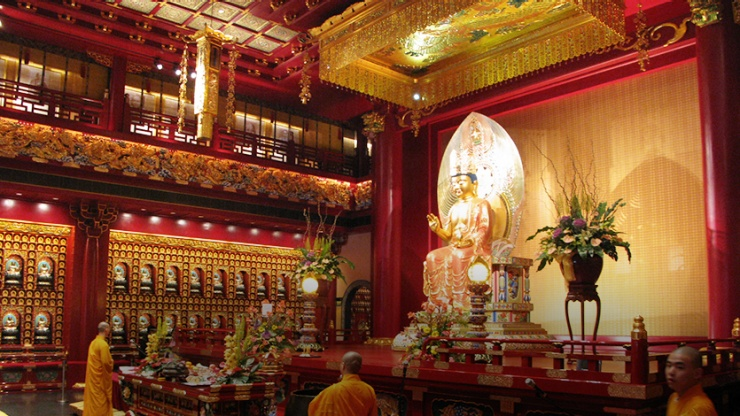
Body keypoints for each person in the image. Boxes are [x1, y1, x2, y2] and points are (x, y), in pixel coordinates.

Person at [424, 171, 494, 310]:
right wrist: (437, 229)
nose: (457, 186)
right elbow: (448, 235)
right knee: (432, 256)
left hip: (476, 247)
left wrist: (471, 240)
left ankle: (461, 301)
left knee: (459, 255)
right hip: (456, 246)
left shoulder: (481, 204)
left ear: (474, 184)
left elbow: (485, 227)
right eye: (454, 183)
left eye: (461, 182)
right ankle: (439, 302)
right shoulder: (454, 208)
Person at [308, 351, 377, 416]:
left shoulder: (334, 390)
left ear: (343, 366)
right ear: (360, 368)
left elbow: (314, 408)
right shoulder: (369, 390)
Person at [665, 346, 718, 416]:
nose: (671, 372)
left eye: (680, 367)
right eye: (669, 365)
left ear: (697, 373)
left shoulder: (699, 408)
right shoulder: (674, 397)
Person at [83, 321, 114, 416]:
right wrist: (112, 362)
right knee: (100, 401)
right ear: (106, 330)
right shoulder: (103, 345)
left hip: (93, 379)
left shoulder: (93, 343)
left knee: (93, 400)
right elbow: (106, 363)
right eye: (109, 329)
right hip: (100, 381)